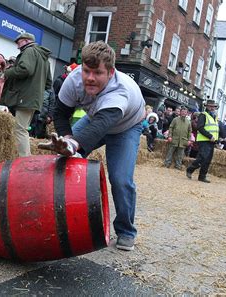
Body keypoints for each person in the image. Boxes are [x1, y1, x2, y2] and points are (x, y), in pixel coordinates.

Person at [38, 41, 145, 251]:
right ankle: (58, 216)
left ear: (111, 72)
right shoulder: (74, 78)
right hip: (97, 118)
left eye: (97, 73)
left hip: (125, 127)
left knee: (121, 179)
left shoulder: (120, 91)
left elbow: (100, 127)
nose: (90, 78)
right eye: (87, 71)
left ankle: (126, 231)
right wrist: (67, 140)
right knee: (64, 159)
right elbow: (61, 113)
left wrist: (73, 144)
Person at [1, 32, 52, 157]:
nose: (17, 46)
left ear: (26, 41)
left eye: (19, 42)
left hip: (25, 98)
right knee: (23, 129)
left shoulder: (29, 51)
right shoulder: (44, 57)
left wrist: (8, 72)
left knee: (20, 130)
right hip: (34, 99)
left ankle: (25, 160)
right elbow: (48, 83)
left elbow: (25, 69)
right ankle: (25, 157)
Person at [186, 99, 224, 183]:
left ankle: (202, 176)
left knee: (208, 160)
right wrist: (210, 136)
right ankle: (190, 169)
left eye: (213, 107)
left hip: (212, 141)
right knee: (202, 157)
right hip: (204, 140)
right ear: (206, 106)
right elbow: (200, 127)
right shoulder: (203, 115)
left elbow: (215, 129)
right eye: (210, 106)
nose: (212, 108)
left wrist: (219, 138)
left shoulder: (214, 117)